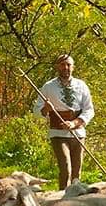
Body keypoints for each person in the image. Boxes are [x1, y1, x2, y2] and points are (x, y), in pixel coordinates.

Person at [34, 54, 95, 189]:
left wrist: (74, 123)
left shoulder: (81, 85)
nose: (65, 67)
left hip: (78, 133)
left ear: (73, 67)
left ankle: (75, 201)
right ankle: (61, 200)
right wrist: (46, 109)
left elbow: (89, 110)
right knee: (66, 169)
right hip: (58, 133)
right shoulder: (48, 87)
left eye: (68, 65)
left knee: (76, 173)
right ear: (57, 67)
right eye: (62, 64)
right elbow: (37, 111)